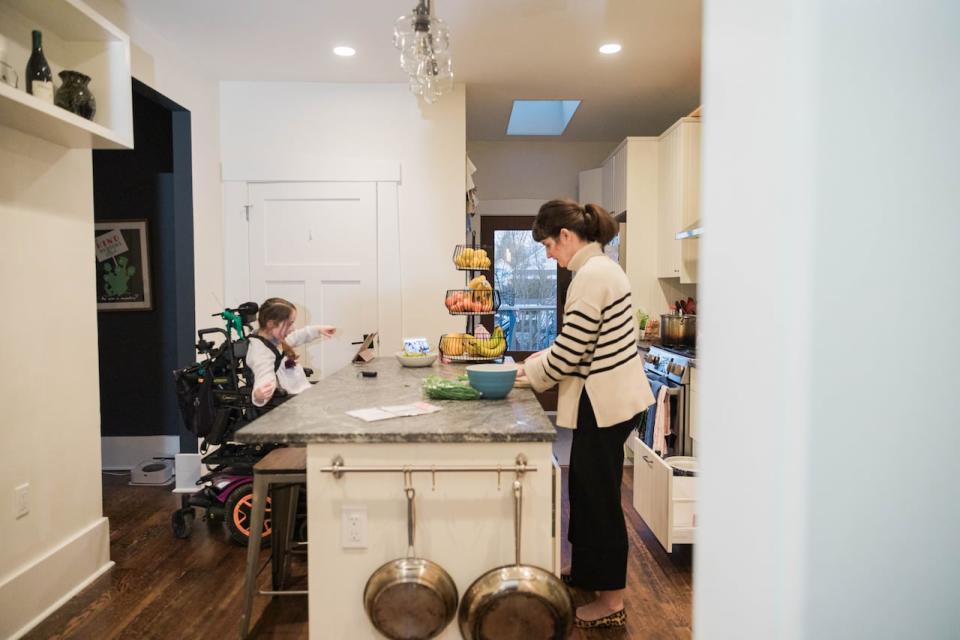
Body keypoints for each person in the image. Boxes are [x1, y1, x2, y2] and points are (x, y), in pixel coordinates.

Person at [516, 198, 655, 629]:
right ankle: (589, 574)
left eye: (547, 245)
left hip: (607, 404)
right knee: (585, 489)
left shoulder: (592, 276)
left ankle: (611, 598)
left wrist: (527, 372)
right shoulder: (598, 271)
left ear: (566, 236)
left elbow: (571, 353)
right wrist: (536, 363)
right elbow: (576, 346)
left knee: (599, 500)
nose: (548, 254)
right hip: (607, 400)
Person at [247, 297, 337, 407]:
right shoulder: (261, 353)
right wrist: (259, 396)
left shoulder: (273, 338)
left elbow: (296, 336)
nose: (293, 328)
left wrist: (318, 330)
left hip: (303, 393)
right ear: (271, 324)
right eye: (289, 324)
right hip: (293, 403)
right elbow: (264, 376)